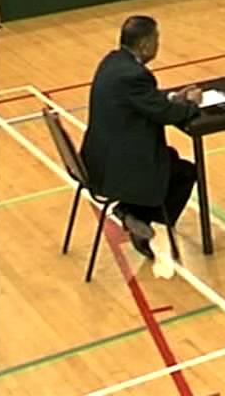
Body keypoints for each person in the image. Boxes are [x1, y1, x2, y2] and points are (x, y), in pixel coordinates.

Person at [80, 16, 201, 278]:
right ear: (145, 44)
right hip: (119, 165)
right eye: (156, 39)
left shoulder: (113, 61)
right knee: (185, 172)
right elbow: (165, 114)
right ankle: (136, 215)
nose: (158, 44)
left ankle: (135, 214)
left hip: (99, 156)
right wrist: (192, 104)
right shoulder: (135, 75)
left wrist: (172, 97)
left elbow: (145, 101)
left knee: (170, 158)